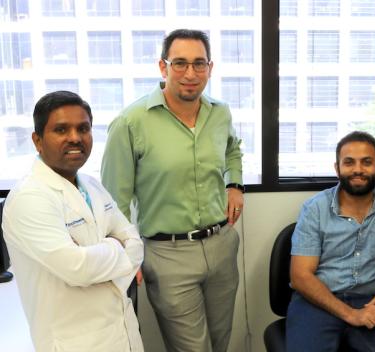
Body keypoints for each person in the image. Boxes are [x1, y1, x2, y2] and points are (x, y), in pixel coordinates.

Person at [101, 29, 243, 352]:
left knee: (220, 343)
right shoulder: (130, 123)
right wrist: (126, 255)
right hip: (167, 255)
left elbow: (233, 148)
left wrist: (234, 183)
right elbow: (114, 201)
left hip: (222, 247)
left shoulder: (220, 113)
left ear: (210, 67)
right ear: (162, 67)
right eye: (180, 63)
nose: (190, 74)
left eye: (199, 64)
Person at [2, 91, 144, 352]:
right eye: (61, 129)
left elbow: (135, 243)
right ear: (38, 140)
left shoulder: (91, 185)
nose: (75, 138)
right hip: (75, 343)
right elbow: (77, 268)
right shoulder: (29, 198)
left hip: (122, 334)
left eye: (83, 128)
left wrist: (102, 253)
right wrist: (116, 246)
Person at [287, 131, 375, 352]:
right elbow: (300, 277)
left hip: (369, 302)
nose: (358, 170)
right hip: (318, 301)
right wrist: (352, 315)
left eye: (367, 162)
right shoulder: (315, 208)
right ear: (337, 168)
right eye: (349, 162)